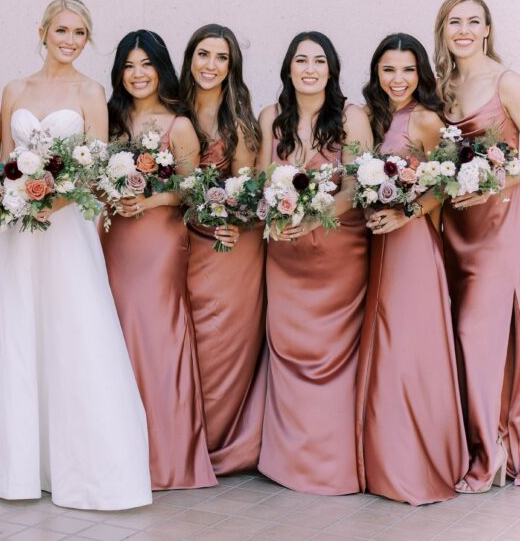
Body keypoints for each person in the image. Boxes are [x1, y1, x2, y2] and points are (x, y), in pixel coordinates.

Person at [0, 0, 152, 510]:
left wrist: (55, 201)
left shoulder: (91, 91)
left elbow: (95, 164)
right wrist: (12, 198)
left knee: (73, 330)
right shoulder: (14, 90)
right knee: (18, 331)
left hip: (65, 228)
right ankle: (16, 464)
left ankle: (84, 465)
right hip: (15, 230)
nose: (69, 40)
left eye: (80, 33)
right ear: (42, 30)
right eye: (62, 30)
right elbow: (3, 159)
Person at [100, 29, 216, 491]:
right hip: (114, 238)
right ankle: (116, 447)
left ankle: (165, 456)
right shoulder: (109, 122)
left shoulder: (178, 125)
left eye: (146, 64)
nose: (137, 74)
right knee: (115, 333)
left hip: (159, 241)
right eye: (129, 65)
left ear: (161, 68)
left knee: (156, 334)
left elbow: (193, 188)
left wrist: (148, 202)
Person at [256, 31, 371, 495]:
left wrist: (318, 215)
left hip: (338, 249)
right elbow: (263, 180)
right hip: (284, 251)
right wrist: (276, 211)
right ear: (288, 68)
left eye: (318, 61)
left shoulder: (351, 117)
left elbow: (361, 183)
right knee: (288, 350)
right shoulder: (271, 118)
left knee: (333, 354)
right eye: (300, 60)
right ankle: (291, 461)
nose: (309, 68)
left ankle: (333, 461)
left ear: (331, 70)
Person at [354, 32, 466, 504]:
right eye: (388, 70)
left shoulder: (424, 118)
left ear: (420, 73)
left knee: (408, 346)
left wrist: (408, 212)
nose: (397, 79)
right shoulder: (376, 119)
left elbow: (452, 179)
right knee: (384, 346)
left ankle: (414, 463)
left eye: (406, 69)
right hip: (379, 245)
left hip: (414, 246)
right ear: (377, 74)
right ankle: (382, 459)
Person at [434, 0, 520, 493]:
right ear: (443, 30)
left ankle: (490, 454)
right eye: (454, 22)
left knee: (476, 337)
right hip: (454, 231)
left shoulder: (506, 81)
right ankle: (486, 440)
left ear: (487, 29)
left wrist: (492, 182)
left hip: (499, 229)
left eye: (473, 21)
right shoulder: (443, 89)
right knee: (468, 340)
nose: (463, 30)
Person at [176, 24, 266, 474]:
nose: (210, 65)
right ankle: (176, 433)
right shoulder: (171, 111)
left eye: (221, 57)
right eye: (203, 55)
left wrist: (235, 222)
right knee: (179, 338)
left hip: (228, 244)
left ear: (232, 66)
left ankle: (209, 441)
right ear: (190, 58)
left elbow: (246, 187)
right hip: (176, 240)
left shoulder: (241, 121)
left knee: (218, 341)